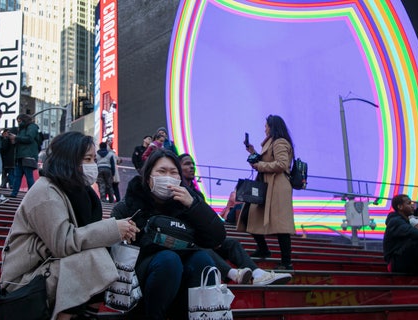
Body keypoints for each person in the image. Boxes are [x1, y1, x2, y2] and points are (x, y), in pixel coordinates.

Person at [0, 131, 139, 319]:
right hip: (25, 285)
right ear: (68, 160)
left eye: (93, 159)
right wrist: (112, 229)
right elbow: (63, 243)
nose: (93, 165)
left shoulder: (80, 193)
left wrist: (115, 231)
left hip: (48, 271)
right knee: (95, 257)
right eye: (87, 159)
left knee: (103, 252)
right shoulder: (46, 192)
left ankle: (84, 313)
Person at [111, 149, 226, 319]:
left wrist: (194, 206)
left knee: (203, 260)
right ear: (149, 175)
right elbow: (111, 243)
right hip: (144, 274)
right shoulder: (130, 203)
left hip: (184, 270)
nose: (168, 177)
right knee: (168, 260)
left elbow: (217, 237)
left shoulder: (188, 201)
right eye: (162, 171)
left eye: (173, 172)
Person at [179, 153, 292, 285]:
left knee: (232, 243)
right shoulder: (178, 192)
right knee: (199, 247)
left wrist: (214, 238)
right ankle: (233, 274)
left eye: (192, 163)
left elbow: (206, 220)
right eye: (187, 164)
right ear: (178, 168)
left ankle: (257, 274)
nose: (192, 166)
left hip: (204, 239)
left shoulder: (198, 194)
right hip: (189, 242)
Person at [238, 114, 295, 270]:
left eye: (266, 126)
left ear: (272, 126)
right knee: (250, 215)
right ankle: (263, 249)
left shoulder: (280, 142)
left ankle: (286, 262)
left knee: (281, 225)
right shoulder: (272, 143)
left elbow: (282, 164)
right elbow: (266, 161)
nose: (264, 128)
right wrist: (252, 152)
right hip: (267, 185)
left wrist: (259, 166)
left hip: (277, 186)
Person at [9, 114, 41, 198]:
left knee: (27, 176)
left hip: (27, 155)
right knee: (19, 176)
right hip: (23, 155)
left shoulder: (31, 127)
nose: (18, 123)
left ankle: (27, 194)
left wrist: (16, 138)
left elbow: (29, 138)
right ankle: (14, 193)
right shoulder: (28, 127)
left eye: (19, 121)